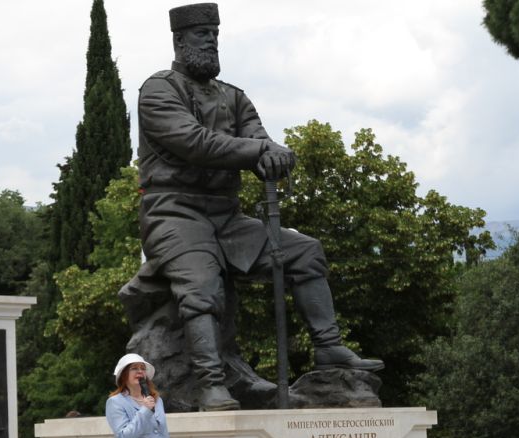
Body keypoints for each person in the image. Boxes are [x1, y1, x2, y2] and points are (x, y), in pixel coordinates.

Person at [134, 2, 383, 411]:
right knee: (200, 285)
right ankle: (212, 384)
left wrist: (274, 156)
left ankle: (329, 349)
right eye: (202, 35)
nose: (212, 41)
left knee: (305, 252)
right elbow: (195, 143)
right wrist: (259, 151)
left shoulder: (234, 97)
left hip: (227, 217)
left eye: (215, 34)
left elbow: (259, 140)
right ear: (180, 41)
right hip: (174, 212)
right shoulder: (159, 89)